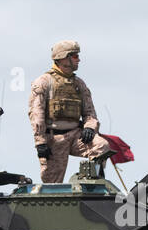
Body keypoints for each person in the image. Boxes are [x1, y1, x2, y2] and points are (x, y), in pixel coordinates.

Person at [28, 40, 110, 182]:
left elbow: (89, 112)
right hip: (53, 139)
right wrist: (40, 142)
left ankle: (94, 184)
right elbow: (36, 114)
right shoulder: (44, 82)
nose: (79, 60)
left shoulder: (79, 84)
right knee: (52, 183)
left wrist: (90, 128)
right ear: (63, 57)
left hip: (76, 136)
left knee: (101, 146)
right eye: (75, 56)